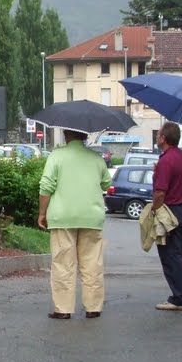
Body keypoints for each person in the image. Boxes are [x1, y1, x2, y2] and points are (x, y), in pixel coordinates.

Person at [37, 129, 112, 319]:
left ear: (66, 135)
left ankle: (63, 309)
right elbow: (106, 183)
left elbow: (46, 186)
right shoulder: (96, 158)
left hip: (62, 217)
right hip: (91, 217)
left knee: (63, 263)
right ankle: (93, 307)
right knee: (92, 264)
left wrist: (42, 213)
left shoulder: (57, 156)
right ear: (85, 136)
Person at [151, 122, 182, 311]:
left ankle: (178, 298)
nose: (157, 137)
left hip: (171, 211)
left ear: (163, 139)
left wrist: (154, 210)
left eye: (158, 134)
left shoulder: (166, 161)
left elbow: (160, 192)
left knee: (171, 256)